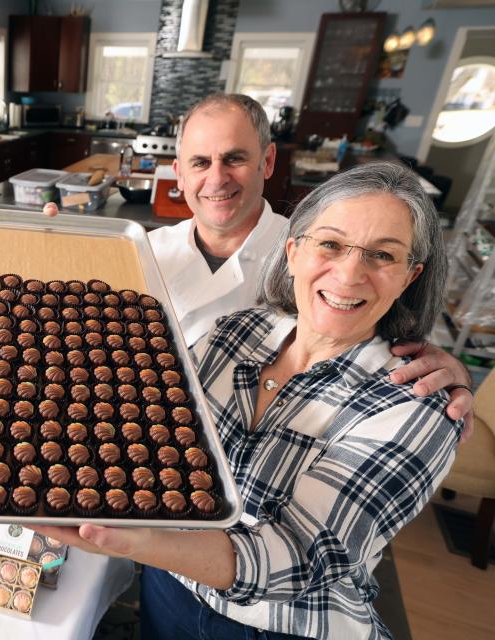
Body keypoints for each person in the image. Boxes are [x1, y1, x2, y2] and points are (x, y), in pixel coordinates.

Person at [35, 162, 462, 639]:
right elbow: (142, 411)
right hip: (171, 586)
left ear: (410, 277)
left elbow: (298, 554)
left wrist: (138, 541)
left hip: (284, 626)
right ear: (294, 251)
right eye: (331, 243)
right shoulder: (236, 332)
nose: (349, 273)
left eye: (383, 255)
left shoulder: (419, 407)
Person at [43, 93, 474, 434]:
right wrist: (50, 264)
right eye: (199, 162)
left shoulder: (318, 256)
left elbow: (392, 335)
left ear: (267, 161)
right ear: (178, 173)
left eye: (234, 158)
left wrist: (448, 369)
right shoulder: (142, 250)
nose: (216, 178)